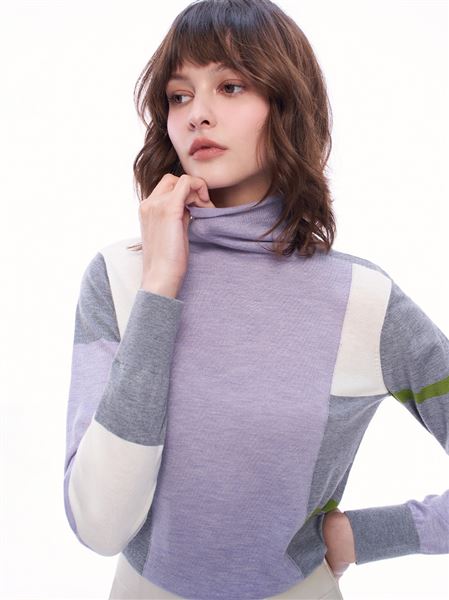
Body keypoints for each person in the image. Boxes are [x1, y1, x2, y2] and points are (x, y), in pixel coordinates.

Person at [62, 0, 449, 598]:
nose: (198, 114)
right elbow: (100, 523)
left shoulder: (361, 300)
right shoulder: (118, 276)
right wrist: (160, 286)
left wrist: (374, 535)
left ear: (287, 105)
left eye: (231, 86)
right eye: (179, 95)